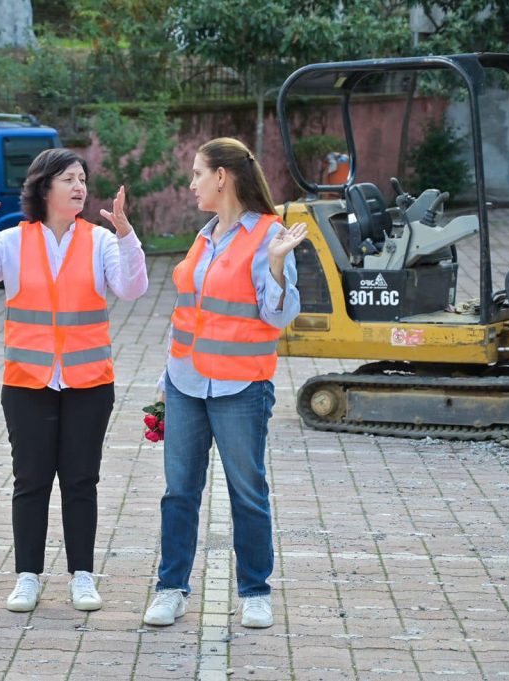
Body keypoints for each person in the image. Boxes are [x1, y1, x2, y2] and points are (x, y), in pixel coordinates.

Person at [0, 148, 148, 613]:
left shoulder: (100, 241)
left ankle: (82, 575)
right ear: (44, 187)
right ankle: (27, 576)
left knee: (81, 481)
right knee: (31, 480)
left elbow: (132, 289)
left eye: (82, 178)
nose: (79, 187)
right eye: (69, 179)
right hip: (27, 382)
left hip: (89, 382)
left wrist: (126, 235)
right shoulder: (13, 241)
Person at [142, 137, 307, 629]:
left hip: (240, 388)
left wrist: (277, 265)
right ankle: (171, 588)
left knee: (247, 492)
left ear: (222, 176)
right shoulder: (205, 236)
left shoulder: (269, 236)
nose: (191, 184)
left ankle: (255, 592)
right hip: (186, 385)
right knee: (179, 493)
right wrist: (164, 381)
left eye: (197, 174)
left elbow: (278, 315)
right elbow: (186, 314)